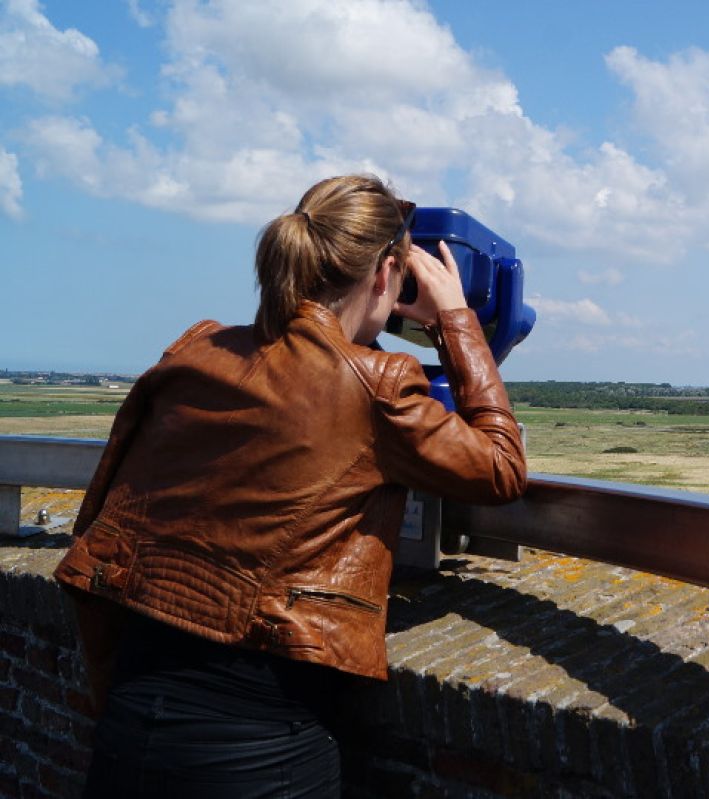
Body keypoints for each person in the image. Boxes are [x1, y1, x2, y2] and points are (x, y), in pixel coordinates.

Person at [53, 174, 527, 797]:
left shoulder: (197, 349)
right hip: (261, 738)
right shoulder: (377, 383)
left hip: (132, 712)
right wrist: (457, 322)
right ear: (386, 275)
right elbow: (501, 468)